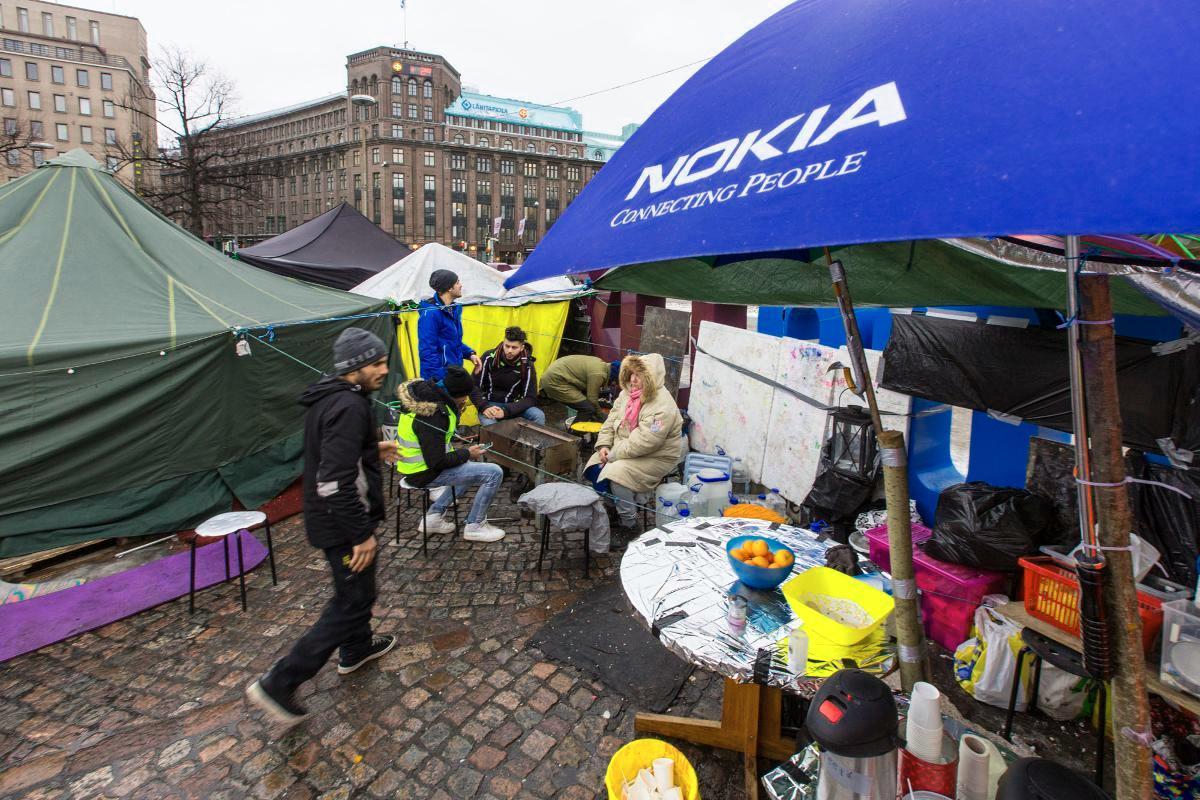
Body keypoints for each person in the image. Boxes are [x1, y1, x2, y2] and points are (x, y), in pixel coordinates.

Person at [246, 327, 398, 727]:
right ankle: (280, 682)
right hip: (342, 524)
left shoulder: (333, 397)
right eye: (377, 364)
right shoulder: (349, 407)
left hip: (334, 520)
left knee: (356, 594)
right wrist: (359, 533)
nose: (385, 370)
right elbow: (333, 480)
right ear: (355, 368)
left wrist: (371, 449)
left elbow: (333, 454)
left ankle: (356, 649)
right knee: (353, 602)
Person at [395, 365, 507, 542]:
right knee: (494, 472)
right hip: (421, 472)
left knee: (468, 468)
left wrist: (463, 455)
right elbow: (437, 462)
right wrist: (467, 453)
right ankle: (475, 526)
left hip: (414, 466)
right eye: (466, 397)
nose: (467, 400)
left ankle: (433, 517)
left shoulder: (424, 397)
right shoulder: (434, 414)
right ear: (458, 395)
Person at [585, 353, 684, 529]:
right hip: (622, 449)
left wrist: (613, 455)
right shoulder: (627, 393)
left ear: (651, 377)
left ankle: (629, 523)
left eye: (639, 375)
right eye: (631, 373)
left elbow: (646, 441)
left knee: (617, 476)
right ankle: (618, 504)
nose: (633, 379)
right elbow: (610, 421)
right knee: (593, 469)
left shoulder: (662, 405)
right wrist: (604, 446)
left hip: (656, 456)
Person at [470, 326, 545, 427]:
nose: (509, 350)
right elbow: (472, 386)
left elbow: (530, 397)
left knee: (538, 415)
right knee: (492, 427)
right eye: (507, 346)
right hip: (490, 405)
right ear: (503, 343)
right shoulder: (488, 358)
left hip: (513, 405)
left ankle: (529, 443)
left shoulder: (527, 364)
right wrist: (484, 407)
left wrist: (506, 411)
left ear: (522, 347)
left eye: (514, 347)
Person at [417, 268, 482, 380]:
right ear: (449, 288)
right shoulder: (431, 314)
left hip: (453, 374)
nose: (461, 285)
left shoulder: (453, 310)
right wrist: (441, 379)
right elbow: (427, 351)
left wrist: (470, 354)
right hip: (439, 380)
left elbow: (453, 343)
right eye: (457, 282)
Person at [540, 354, 620, 424]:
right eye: (615, 383)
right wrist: (602, 416)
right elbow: (592, 399)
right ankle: (573, 436)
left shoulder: (602, 365)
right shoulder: (599, 374)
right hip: (555, 381)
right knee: (587, 409)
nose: (614, 385)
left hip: (559, 375)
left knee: (589, 405)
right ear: (614, 378)